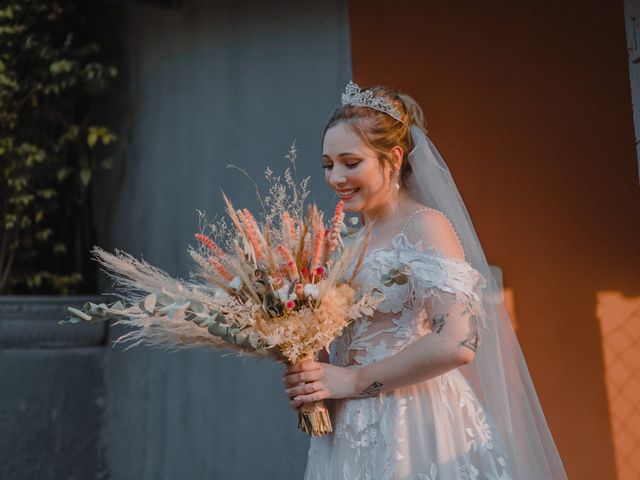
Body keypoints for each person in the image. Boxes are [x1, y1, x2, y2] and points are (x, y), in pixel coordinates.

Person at [283, 82, 567, 479]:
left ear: (394, 158)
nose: (336, 177)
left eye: (351, 162)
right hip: (347, 428)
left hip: (412, 422)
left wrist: (354, 380)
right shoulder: (344, 241)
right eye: (328, 164)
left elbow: (457, 342)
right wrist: (309, 367)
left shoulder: (426, 227)